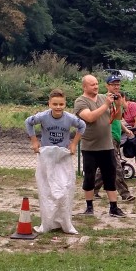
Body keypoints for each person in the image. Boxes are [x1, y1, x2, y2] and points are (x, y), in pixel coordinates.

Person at [25, 89, 86, 233]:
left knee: (64, 187)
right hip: (47, 156)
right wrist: (34, 141)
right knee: (48, 189)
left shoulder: (69, 118)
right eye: (55, 104)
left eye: (61, 104)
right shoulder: (43, 116)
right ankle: (48, 221)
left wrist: (74, 143)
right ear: (49, 104)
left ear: (65, 104)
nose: (58, 107)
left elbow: (82, 125)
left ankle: (64, 221)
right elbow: (28, 122)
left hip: (62, 156)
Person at [73, 74, 126, 217]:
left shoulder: (103, 98)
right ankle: (89, 207)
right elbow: (90, 117)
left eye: (97, 84)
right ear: (84, 87)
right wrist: (106, 105)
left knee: (110, 176)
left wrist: (118, 105)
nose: (96, 87)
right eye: (92, 84)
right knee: (89, 177)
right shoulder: (80, 101)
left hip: (107, 145)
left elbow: (116, 117)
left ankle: (113, 207)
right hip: (90, 146)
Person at [94, 73, 135, 202]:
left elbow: (117, 118)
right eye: (113, 84)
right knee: (116, 165)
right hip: (108, 135)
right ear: (107, 86)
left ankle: (92, 189)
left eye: (118, 84)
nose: (116, 86)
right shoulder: (103, 100)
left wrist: (125, 129)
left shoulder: (118, 100)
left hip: (116, 136)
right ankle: (125, 194)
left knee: (105, 165)